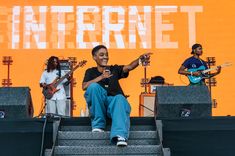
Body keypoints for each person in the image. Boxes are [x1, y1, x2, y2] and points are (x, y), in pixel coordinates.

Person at [82, 45, 151, 146]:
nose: (105, 57)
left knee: (119, 98)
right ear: (94, 57)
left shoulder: (114, 69)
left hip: (113, 105)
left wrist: (139, 59)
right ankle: (98, 126)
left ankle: (120, 136)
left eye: (106, 54)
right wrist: (101, 77)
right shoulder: (90, 71)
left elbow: (129, 67)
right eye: (101, 55)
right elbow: (84, 86)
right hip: (100, 105)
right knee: (93, 87)